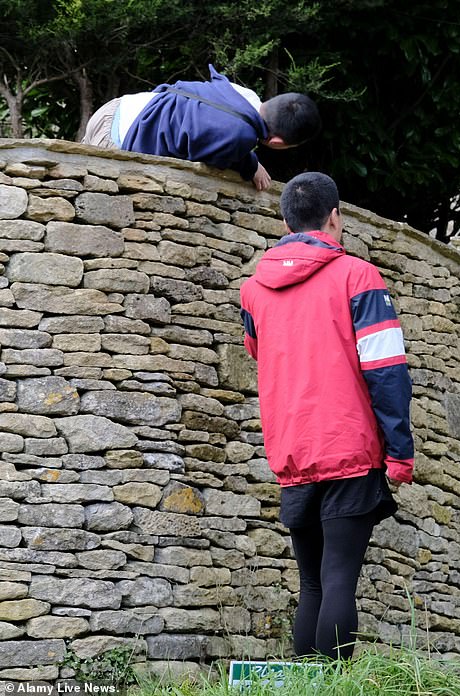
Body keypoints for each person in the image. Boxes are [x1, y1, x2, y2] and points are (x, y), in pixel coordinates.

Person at [240, 172, 415, 660]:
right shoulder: (359, 277)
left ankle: (304, 685)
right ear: (336, 216)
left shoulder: (253, 291)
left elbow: (259, 351)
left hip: (292, 451)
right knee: (340, 577)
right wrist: (400, 452)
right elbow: (387, 373)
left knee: (311, 582)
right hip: (349, 448)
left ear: (284, 221)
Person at [81, 64, 321, 191]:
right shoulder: (240, 137)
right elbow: (224, 156)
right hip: (117, 137)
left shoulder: (243, 94)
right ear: (278, 142)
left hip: (116, 108)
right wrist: (252, 164)